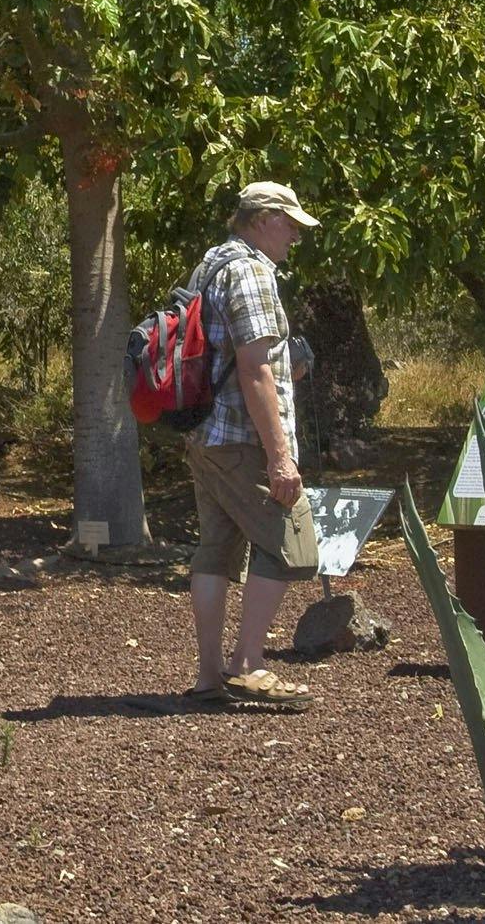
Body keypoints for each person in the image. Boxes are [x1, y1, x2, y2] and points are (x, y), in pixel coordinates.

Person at [183, 182, 322, 711]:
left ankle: (209, 675)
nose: (294, 236)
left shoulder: (209, 266)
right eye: (289, 224)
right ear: (262, 219)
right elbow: (254, 367)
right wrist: (280, 456)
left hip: (204, 436)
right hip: (242, 439)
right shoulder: (252, 271)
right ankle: (248, 665)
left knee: (215, 551)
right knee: (293, 542)